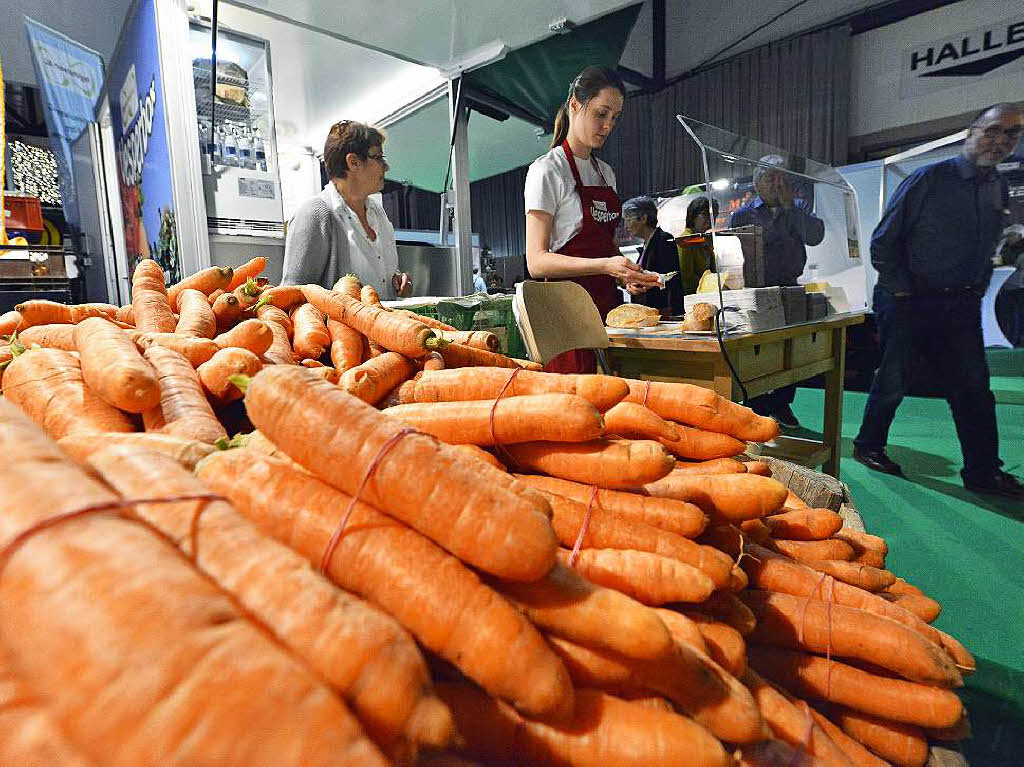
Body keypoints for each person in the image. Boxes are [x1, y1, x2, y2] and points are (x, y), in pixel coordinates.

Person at [853, 103, 1024, 500]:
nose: (1001, 141)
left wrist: (975, 292)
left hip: (959, 305)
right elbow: (883, 244)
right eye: (994, 130)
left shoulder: (994, 187)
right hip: (908, 300)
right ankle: (868, 444)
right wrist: (902, 293)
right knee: (895, 377)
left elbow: (985, 248)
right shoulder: (928, 179)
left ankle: (983, 472)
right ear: (971, 132)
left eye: (1012, 134)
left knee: (975, 389)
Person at [525, 66, 660, 373]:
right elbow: (537, 262)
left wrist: (626, 273)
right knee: (577, 407)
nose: (608, 125)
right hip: (566, 313)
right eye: (601, 114)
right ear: (575, 105)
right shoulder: (548, 171)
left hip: (607, 306)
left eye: (615, 118)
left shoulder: (605, 173)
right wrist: (604, 265)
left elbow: (607, 245)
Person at [730, 155, 825, 428]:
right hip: (756, 291)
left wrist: (789, 208)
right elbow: (734, 257)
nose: (777, 184)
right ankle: (757, 404)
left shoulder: (799, 208)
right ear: (758, 182)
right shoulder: (744, 214)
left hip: (790, 288)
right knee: (757, 352)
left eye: (782, 177)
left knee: (791, 350)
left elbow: (815, 236)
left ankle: (782, 403)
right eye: (771, 178)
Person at [283, 119, 412, 297]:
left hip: (384, 323)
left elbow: (379, 274)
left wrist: (397, 280)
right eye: (378, 157)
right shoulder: (315, 213)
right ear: (353, 162)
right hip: (337, 326)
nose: (386, 166)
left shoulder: (377, 212)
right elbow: (292, 294)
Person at [622, 196, 683, 317]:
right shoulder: (646, 245)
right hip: (650, 313)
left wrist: (645, 281)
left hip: (663, 313)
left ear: (644, 218)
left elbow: (672, 276)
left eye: (629, 219)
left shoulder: (664, 239)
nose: (625, 225)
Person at [678, 196, 720, 296]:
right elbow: (686, 278)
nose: (711, 220)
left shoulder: (704, 239)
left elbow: (713, 271)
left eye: (714, 216)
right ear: (693, 215)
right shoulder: (686, 239)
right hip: (693, 297)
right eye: (705, 215)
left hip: (707, 295)